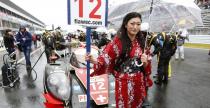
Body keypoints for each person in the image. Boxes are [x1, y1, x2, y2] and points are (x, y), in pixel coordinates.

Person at [86, 12, 152, 108]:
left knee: (138, 105)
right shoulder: (117, 42)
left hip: (139, 81)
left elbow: (146, 66)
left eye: (138, 24)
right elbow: (105, 58)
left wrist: (145, 61)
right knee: (123, 104)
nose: (135, 27)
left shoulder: (142, 42)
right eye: (132, 23)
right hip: (123, 81)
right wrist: (94, 61)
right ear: (125, 25)